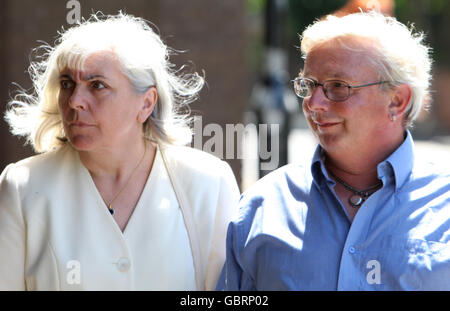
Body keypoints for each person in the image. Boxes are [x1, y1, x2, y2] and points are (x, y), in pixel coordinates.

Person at [0, 12, 240, 291]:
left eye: (97, 85)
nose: (75, 101)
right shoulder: (22, 187)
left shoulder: (208, 183)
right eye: (67, 84)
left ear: (146, 104)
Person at [217, 11, 450, 290]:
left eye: (338, 87)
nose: (314, 103)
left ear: (397, 101)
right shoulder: (260, 207)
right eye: (309, 85)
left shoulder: (443, 205)